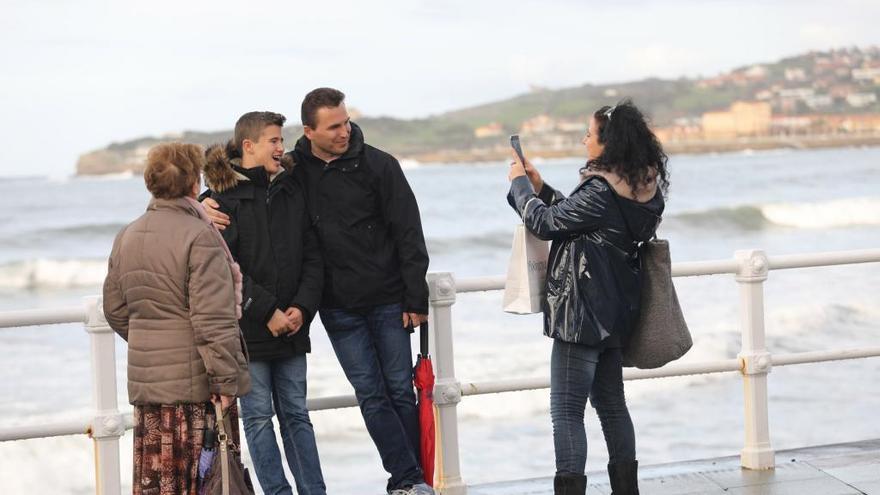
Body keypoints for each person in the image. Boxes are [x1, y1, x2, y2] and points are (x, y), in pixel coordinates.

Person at [203, 88, 433, 495]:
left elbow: (402, 232)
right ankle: (406, 480)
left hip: (369, 302)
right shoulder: (284, 176)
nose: (345, 131)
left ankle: (409, 481)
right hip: (314, 314)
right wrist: (197, 205)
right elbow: (227, 240)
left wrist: (414, 296)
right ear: (309, 132)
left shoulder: (368, 167)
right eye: (334, 126)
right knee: (363, 396)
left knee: (395, 391)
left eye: (346, 122)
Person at [507, 99, 668, 495]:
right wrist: (541, 188)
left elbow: (545, 223)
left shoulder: (600, 188)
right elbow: (577, 216)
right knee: (612, 406)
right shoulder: (643, 189)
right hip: (616, 313)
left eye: (589, 133)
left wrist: (520, 185)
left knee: (566, 411)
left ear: (608, 142)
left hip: (581, 314)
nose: (583, 139)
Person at [102, 142, 251, 495]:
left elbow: (114, 309)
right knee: (204, 481)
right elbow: (212, 319)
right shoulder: (200, 236)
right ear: (192, 182)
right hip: (195, 390)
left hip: (151, 390)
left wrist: (153, 342)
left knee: (159, 482)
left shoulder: (127, 235)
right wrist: (226, 382)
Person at [203, 111, 326, 495]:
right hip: (248, 331)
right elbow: (225, 267)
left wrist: (302, 309)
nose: (281, 147)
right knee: (257, 419)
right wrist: (266, 310)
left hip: (292, 324)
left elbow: (313, 255)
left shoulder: (292, 189)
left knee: (297, 417)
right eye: (273, 140)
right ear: (248, 146)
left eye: (281, 140)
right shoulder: (218, 201)